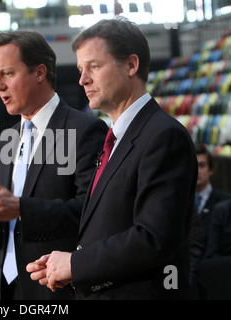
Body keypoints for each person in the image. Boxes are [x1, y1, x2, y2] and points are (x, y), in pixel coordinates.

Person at [27, 17, 198, 300]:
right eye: (82, 69)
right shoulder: (116, 138)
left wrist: (75, 264)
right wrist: (67, 265)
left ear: (131, 65)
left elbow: (154, 238)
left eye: (94, 66)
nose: (82, 79)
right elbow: (106, 226)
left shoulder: (163, 136)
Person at [0, 30, 107, 300]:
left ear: (40, 72)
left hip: (57, 290)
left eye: (7, 74)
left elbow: (92, 214)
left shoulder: (85, 130)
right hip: (8, 290)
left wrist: (22, 209)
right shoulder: (6, 140)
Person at [194, 143, 231, 235]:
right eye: (194, 165)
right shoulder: (179, 200)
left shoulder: (225, 202)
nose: (197, 171)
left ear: (211, 170)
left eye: (202, 165)